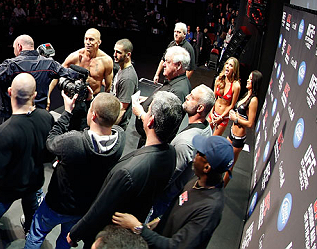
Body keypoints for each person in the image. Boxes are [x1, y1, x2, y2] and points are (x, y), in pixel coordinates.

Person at [67, 92, 184, 247]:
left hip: (107, 236)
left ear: (151, 121)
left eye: (147, 111)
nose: (145, 113)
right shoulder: (171, 154)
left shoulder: (128, 172)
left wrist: (75, 233)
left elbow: (101, 208)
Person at [24, 93, 125, 249]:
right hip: (83, 208)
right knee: (65, 240)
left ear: (94, 114)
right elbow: (105, 123)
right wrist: (91, 102)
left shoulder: (74, 141)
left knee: (37, 233)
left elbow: (51, 141)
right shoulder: (120, 140)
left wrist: (67, 112)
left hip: (56, 204)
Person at [0, 73, 54, 248]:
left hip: (6, 191)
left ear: (9, 92)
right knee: (33, 223)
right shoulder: (46, 118)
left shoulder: (4, 131)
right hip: (33, 184)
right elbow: (48, 154)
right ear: (35, 95)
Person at [112, 135, 233, 249]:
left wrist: (138, 228)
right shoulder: (198, 179)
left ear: (207, 167)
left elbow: (176, 246)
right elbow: (181, 207)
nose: (195, 156)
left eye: (199, 153)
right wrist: (160, 221)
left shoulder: (210, 210)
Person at [143, 84, 214, 220]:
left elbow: (169, 176)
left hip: (160, 200)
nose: (186, 97)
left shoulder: (185, 142)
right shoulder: (206, 128)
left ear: (200, 108)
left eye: (191, 97)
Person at [0, 34, 78, 118]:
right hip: (41, 117)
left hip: (16, 118)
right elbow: (70, 74)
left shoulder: (11, 65)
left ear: (19, 47)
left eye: (14, 48)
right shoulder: (49, 63)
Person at [135, 47, 192, 147]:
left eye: (167, 61)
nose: (164, 64)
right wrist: (148, 100)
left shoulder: (179, 91)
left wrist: (140, 114)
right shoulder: (175, 81)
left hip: (153, 144)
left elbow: (163, 126)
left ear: (178, 65)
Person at [224, 70, 262, 186]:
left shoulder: (253, 100)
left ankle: (221, 189)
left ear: (255, 82)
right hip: (231, 132)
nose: (247, 80)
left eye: (250, 79)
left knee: (230, 165)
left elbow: (250, 123)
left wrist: (236, 119)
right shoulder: (247, 95)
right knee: (223, 157)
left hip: (238, 138)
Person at [110, 38, 138, 130]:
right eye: (114, 51)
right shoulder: (121, 68)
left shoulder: (128, 78)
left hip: (117, 123)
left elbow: (122, 109)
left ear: (128, 55)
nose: (114, 55)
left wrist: (109, 127)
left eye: (118, 52)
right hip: (113, 113)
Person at [208, 57, 240, 136]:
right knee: (204, 135)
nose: (228, 66)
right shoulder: (219, 79)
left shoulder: (236, 85)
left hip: (223, 117)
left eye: (231, 65)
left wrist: (221, 118)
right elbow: (214, 98)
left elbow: (232, 105)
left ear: (235, 69)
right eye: (227, 64)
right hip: (213, 113)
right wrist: (211, 112)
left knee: (213, 141)